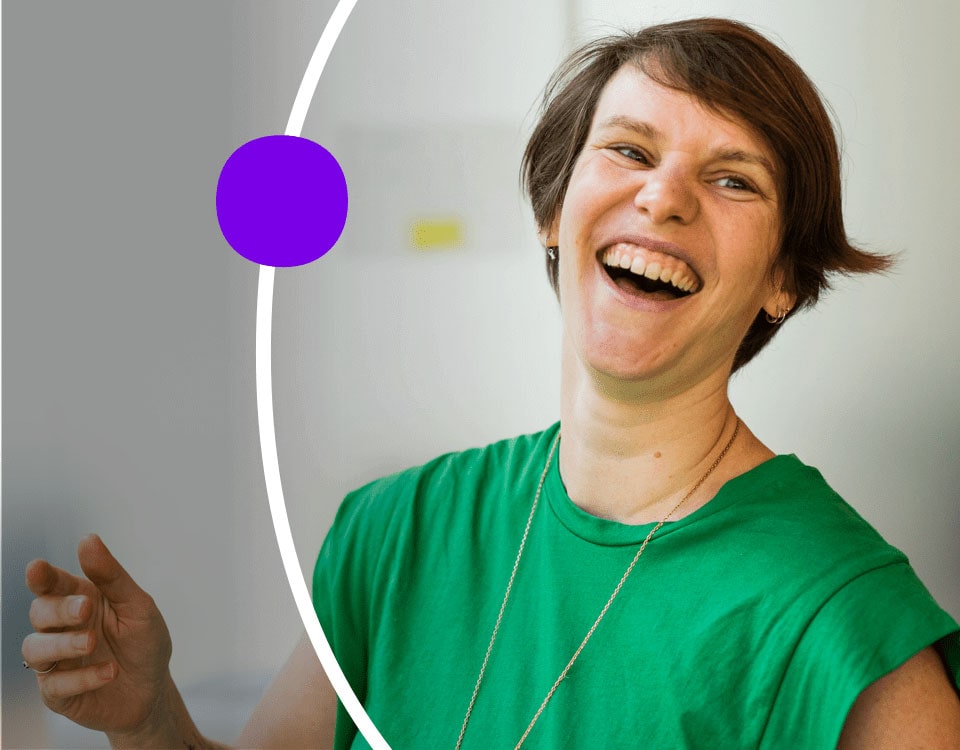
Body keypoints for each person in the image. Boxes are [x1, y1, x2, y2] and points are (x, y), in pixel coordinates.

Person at [23, 17, 960, 749]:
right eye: (630, 150)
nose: (664, 197)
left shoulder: (848, 632)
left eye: (733, 180)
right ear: (555, 212)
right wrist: (148, 722)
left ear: (784, 280)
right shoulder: (393, 534)